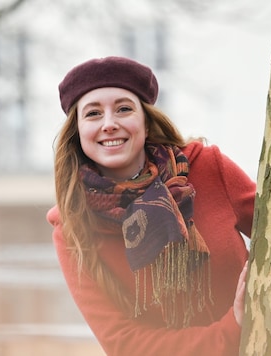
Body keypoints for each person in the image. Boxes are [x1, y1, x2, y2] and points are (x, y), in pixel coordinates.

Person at [46, 56, 253, 355]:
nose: (109, 124)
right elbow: (124, 343)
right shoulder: (73, 230)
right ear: (78, 131)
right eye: (92, 114)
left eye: (123, 109)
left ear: (145, 120)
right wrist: (232, 328)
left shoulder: (207, 167)